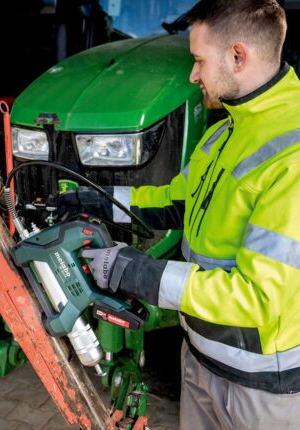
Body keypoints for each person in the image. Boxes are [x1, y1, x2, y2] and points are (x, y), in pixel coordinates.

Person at [62, 0, 300, 428]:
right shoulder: (224, 132)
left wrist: (137, 272)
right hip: (199, 359)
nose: (192, 75)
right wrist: (96, 199)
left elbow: (259, 297)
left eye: (198, 60)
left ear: (238, 56)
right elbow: (175, 201)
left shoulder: (292, 156)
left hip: (261, 388)